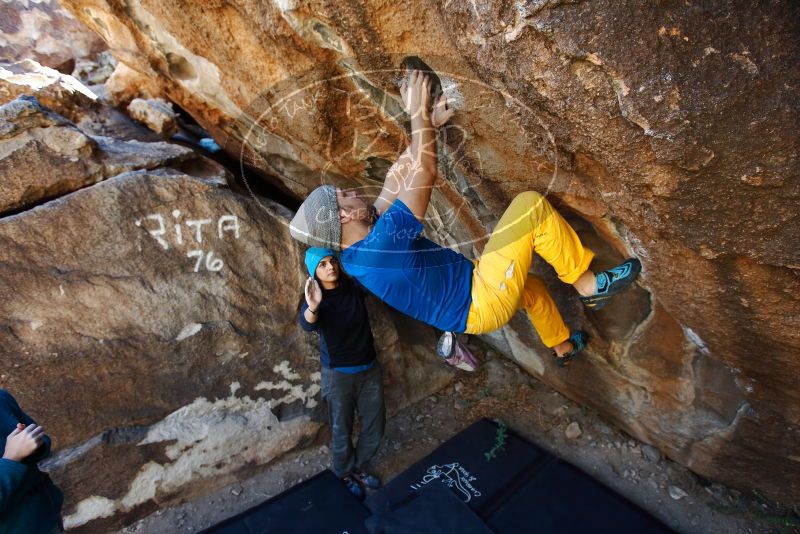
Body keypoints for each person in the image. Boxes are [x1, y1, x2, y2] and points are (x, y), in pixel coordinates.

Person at [290, 70, 641, 367]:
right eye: (345, 195)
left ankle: (562, 347)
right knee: (530, 206)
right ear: (344, 214)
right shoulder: (382, 247)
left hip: (473, 302)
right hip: (481, 298)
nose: (354, 192)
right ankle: (589, 286)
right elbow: (424, 171)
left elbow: (398, 177)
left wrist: (430, 126)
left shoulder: (357, 248)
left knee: (531, 290)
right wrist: (416, 115)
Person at [299, 247, 385, 499]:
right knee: (341, 429)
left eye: (332, 261)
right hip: (338, 375)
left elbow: (375, 272)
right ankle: (344, 473)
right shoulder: (314, 299)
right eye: (322, 264)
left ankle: (359, 467)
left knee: (375, 425)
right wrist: (313, 305)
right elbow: (306, 323)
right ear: (314, 272)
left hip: (369, 368)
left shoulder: (354, 288)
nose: (330, 267)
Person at [0, 389, 63, 533]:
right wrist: (11, 458)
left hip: (46, 515)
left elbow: (41, 440)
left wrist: (35, 443)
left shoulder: (2, 398)